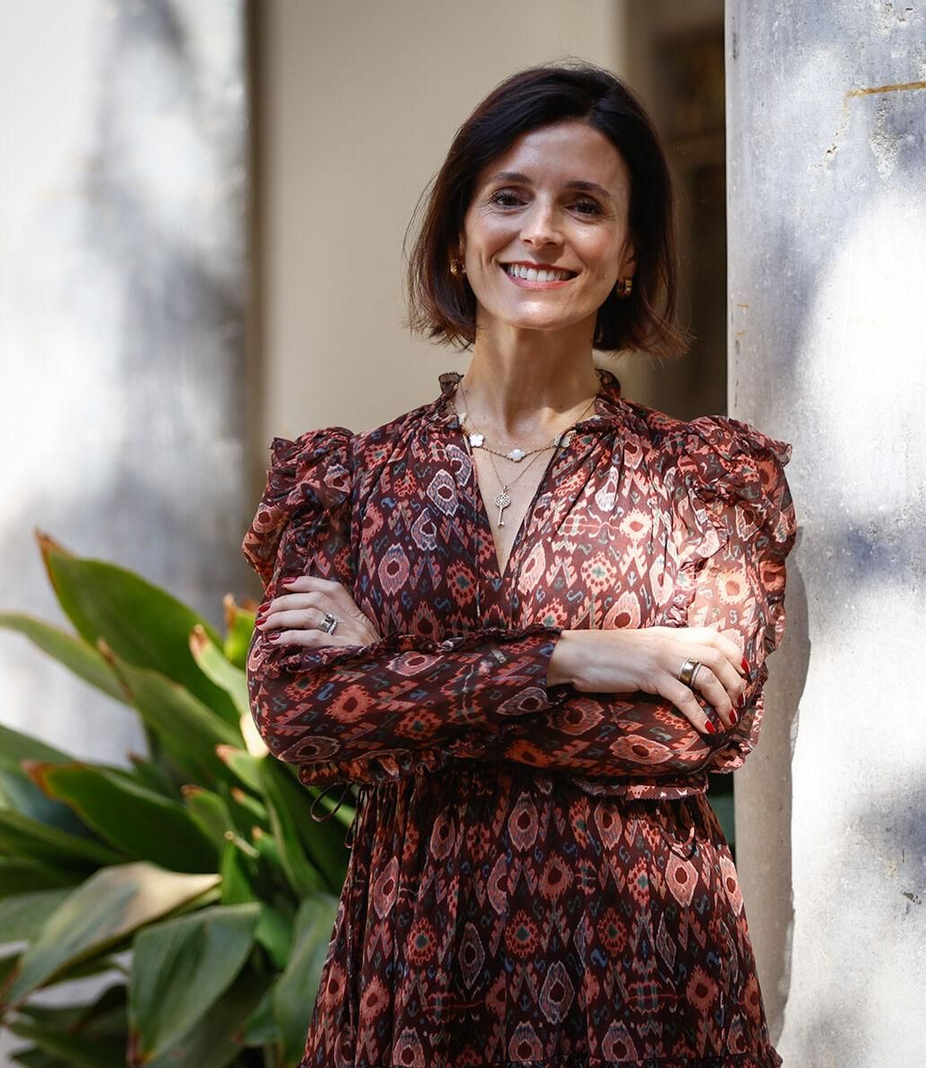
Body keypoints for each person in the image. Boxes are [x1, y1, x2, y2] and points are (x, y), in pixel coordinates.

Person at [242, 60, 797, 1067]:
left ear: (628, 256)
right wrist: (572, 657)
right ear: (461, 232)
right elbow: (301, 716)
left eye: (583, 205)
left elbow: (693, 735)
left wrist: (399, 674)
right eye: (509, 197)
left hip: (643, 970)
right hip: (415, 967)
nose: (540, 231)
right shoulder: (352, 481)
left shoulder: (702, 479)